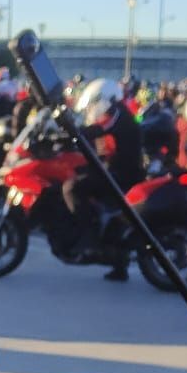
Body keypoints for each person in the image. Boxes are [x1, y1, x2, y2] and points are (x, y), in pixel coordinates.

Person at [64, 80, 146, 281]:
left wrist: (71, 130)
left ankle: (88, 239)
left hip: (122, 174)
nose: (93, 108)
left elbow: (96, 130)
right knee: (81, 173)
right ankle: (118, 264)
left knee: (71, 188)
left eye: (95, 102)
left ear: (105, 99)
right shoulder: (118, 113)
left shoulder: (116, 114)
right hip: (119, 169)